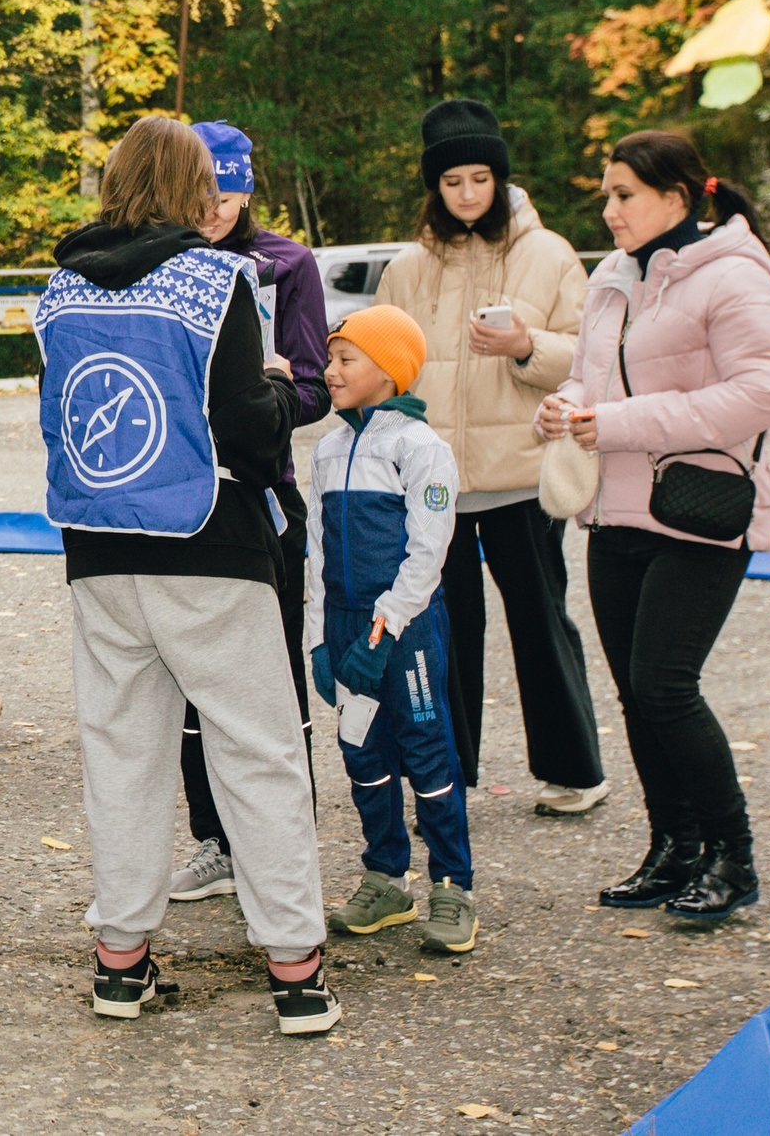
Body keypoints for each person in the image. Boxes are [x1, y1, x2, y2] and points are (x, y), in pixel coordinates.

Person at [32, 117, 336, 1034]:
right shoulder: (214, 280)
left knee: (123, 755)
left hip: (99, 546)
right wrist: (278, 387)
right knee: (258, 752)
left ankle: (120, 957)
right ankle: (296, 967)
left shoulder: (58, 288)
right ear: (190, 187)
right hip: (209, 543)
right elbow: (246, 426)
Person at [537, 132, 770, 919]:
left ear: (677, 198)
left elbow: (761, 393)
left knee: (665, 686)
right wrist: (564, 405)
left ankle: (732, 857)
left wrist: (616, 421)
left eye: (624, 195)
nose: (609, 211)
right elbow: (589, 374)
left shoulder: (735, 272)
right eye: (606, 196)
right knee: (637, 695)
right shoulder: (612, 274)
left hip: (698, 513)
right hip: (614, 510)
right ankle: (675, 848)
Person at [376, 97, 606, 815]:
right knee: (443, 635)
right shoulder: (408, 267)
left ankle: (574, 771)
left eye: (480, 178)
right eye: (452, 181)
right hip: (436, 484)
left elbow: (590, 356)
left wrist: (527, 346)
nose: (468, 193)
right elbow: (382, 365)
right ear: (434, 187)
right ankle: (445, 777)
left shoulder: (549, 253)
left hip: (522, 477)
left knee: (541, 623)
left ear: (500, 179)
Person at [172, 121, 332, 905]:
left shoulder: (286, 264)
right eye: (200, 194)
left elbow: (315, 387)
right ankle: (215, 837)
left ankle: (283, 840)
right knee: (188, 678)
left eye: (227, 195)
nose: (212, 209)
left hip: (262, 492)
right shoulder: (165, 262)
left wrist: (262, 393)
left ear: (247, 192)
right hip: (178, 497)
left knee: (273, 676)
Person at [306, 306, 477, 955]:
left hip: (404, 630)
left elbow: (428, 552)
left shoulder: (420, 447)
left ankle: (453, 885)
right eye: (331, 358)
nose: (330, 370)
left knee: (427, 752)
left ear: (389, 371)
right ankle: (386, 878)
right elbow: (317, 553)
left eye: (346, 359)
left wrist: (384, 630)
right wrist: (319, 639)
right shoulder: (327, 449)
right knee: (362, 753)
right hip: (344, 625)